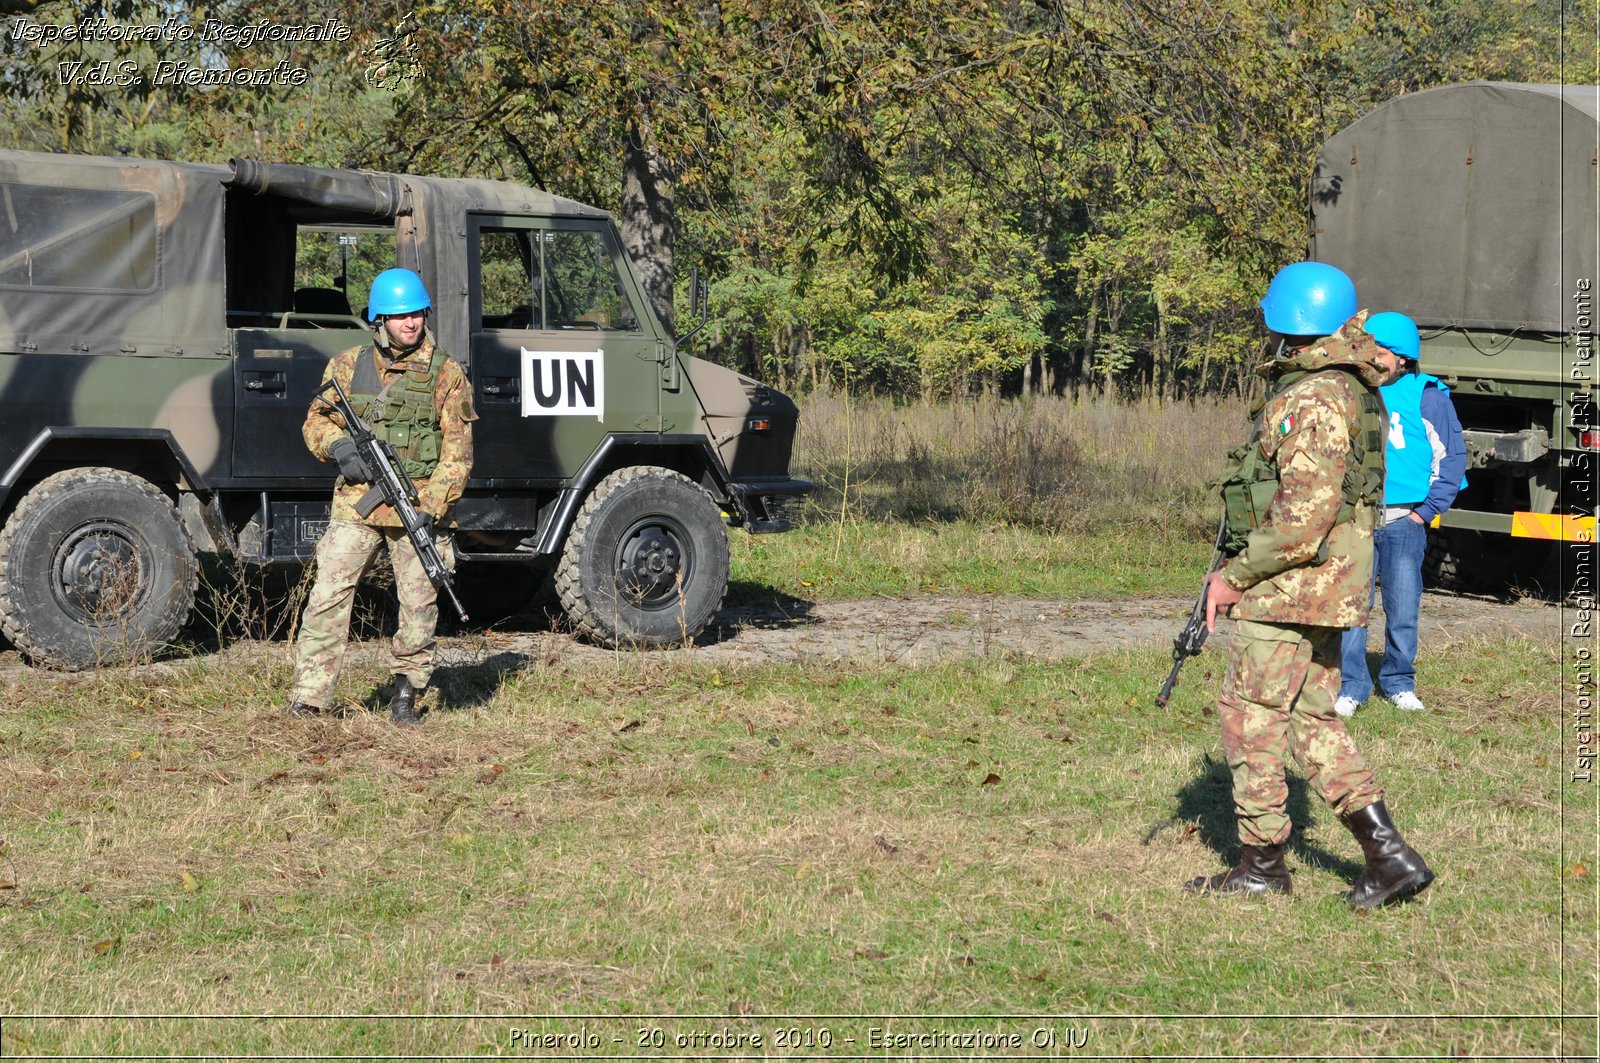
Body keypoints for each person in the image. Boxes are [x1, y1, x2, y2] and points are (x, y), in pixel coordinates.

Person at [1189, 262, 1434, 909]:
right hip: (1327, 585)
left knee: (1251, 717)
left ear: (1289, 318)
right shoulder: (1349, 385)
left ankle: (1263, 862)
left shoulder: (1317, 394)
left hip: (1294, 584)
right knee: (1311, 718)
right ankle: (1389, 855)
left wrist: (1231, 577)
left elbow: (1302, 515)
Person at [285, 268, 477, 725]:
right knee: (328, 595)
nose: (410, 323)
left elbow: (458, 452)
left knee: (419, 605)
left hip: (418, 506)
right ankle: (310, 698)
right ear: (379, 320)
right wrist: (339, 448)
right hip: (358, 502)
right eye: (398, 316)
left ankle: (406, 695)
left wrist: (431, 507)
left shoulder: (446, 373)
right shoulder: (349, 366)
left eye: (416, 314)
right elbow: (317, 421)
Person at [1336, 312, 1467, 716]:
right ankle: (1350, 685)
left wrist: (1423, 514)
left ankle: (1398, 681)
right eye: (1368, 350)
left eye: (1382, 353)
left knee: (1403, 606)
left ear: (1404, 359)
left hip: (1403, 521)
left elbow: (1452, 460)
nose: (1373, 359)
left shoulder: (1427, 396)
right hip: (1356, 519)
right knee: (1351, 607)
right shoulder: (1351, 391)